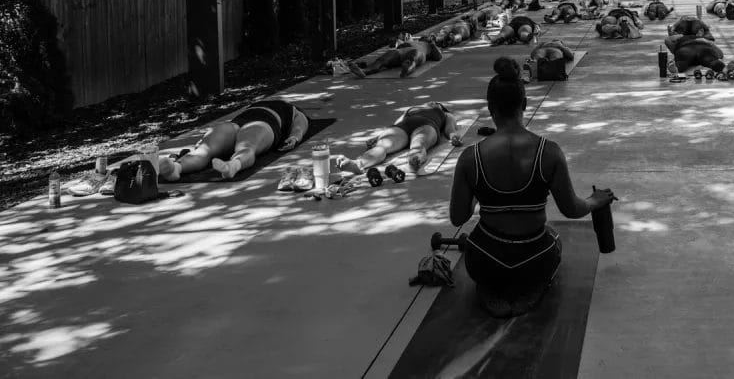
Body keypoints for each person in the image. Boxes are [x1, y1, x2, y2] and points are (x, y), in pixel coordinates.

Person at [450, 58, 617, 318]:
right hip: (534, 258)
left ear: (490, 108)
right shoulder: (548, 152)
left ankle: (491, 288)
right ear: (525, 105)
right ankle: (530, 287)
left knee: (482, 249)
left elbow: (458, 217)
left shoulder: (471, 157)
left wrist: (475, 190)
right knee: (551, 240)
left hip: (485, 258)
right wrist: (596, 200)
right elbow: (572, 209)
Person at [158, 98, 309, 182]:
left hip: (256, 122)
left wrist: (295, 137)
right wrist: (295, 136)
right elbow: (300, 126)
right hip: (247, 123)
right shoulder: (287, 108)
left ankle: (232, 165)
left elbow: (301, 125)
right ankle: (176, 169)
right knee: (206, 149)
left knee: (242, 145)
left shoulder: (294, 111)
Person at [332, 102, 462, 180]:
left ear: (441, 106)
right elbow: (396, 125)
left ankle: (415, 159)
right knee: (382, 146)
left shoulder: (445, 114)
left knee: (418, 145)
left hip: (427, 125)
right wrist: (378, 137)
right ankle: (358, 164)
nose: (432, 102)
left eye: (437, 103)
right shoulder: (411, 109)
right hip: (403, 127)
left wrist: (453, 137)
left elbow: (450, 128)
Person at [350, 33, 442, 78]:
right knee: (383, 60)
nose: (425, 37)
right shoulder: (410, 41)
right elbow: (395, 44)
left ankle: (406, 69)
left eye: (427, 37)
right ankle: (364, 71)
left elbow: (438, 57)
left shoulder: (429, 46)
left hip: (418, 52)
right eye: (424, 36)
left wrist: (432, 43)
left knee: (412, 59)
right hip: (401, 51)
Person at [666, 36, 734, 81]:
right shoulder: (704, 38)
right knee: (711, 60)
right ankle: (725, 69)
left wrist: (675, 53)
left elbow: (668, 40)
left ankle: (676, 69)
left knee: (683, 60)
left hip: (685, 48)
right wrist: (710, 43)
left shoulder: (680, 39)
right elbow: (720, 55)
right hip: (704, 48)